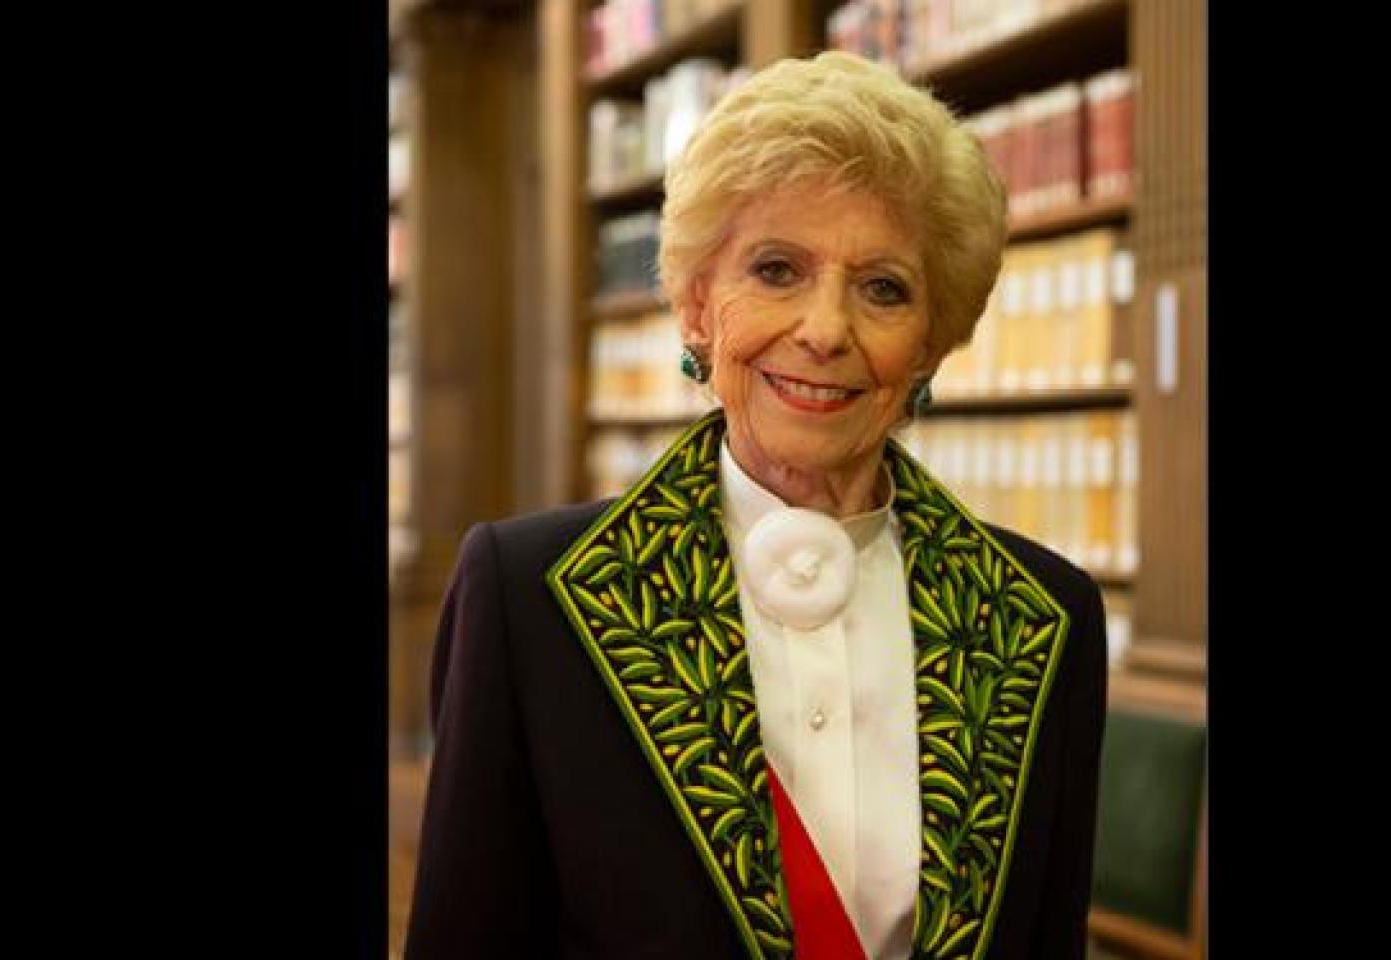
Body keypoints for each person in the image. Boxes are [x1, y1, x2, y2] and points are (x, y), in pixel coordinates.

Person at [404, 50, 1107, 960]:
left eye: (883, 288)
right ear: (697, 305)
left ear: (931, 344)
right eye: (777, 270)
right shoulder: (527, 597)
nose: (825, 330)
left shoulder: (1043, 616)